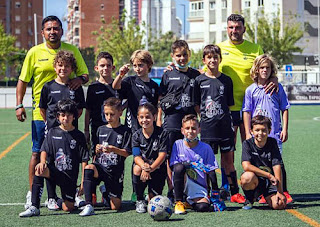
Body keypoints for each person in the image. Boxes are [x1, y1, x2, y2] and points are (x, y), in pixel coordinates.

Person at [15, 15, 88, 209]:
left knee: (70, 154)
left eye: (56, 28)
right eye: (49, 29)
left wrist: (79, 80)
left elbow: (85, 74)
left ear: (62, 31)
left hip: (68, 117)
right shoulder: (34, 52)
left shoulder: (72, 50)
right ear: (42, 33)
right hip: (43, 115)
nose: (52, 32)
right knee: (38, 153)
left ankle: (70, 193)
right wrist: (18, 104)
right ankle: (34, 193)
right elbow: (23, 80)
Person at [19, 99, 90, 217]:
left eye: (68, 115)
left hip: (69, 178)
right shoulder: (52, 132)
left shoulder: (79, 136)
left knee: (68, 208)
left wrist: (83, 181)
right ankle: (34, 207)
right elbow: (44, 150)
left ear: (74, 117)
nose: (65, 118)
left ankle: (58, 200)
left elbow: (84, 160)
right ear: (58, 116)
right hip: (55, 173)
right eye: (62, 115)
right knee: (39, 169)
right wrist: (42, 162)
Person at [194, 44, 245, 204]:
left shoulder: (226, 80)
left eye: (215, 57)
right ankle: (206, 192)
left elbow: (228, 104)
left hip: (225, 128)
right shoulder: (199, 80)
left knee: (228, 160)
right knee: (206, 162)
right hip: (207, 129)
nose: (212, 60)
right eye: (209, 57)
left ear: (220, 59)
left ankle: (234, 192)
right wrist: (204, 118)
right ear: (204, 60)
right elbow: (197, 104)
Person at [242, 54, 292, 203]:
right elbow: (247, 111)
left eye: (268, 67)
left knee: (278, 163)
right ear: (256, 70)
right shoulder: (250, 90)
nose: (265, 70)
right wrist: (247, 132)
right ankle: (261, 193)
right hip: (258, 134)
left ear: (272, 70)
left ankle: (284, 191)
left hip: (274, 132)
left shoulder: (277, 87)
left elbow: (285, 108)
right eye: (262, 67)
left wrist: (285, 129)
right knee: (260, 164)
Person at [158, 40, 201, 200]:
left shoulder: (196, 75)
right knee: (170, 156)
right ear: (172, 56)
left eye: (184, 55)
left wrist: (200, 120)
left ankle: (188, 188)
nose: (182, 58)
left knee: (189, 155)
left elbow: (197, 102)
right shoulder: (167, 74)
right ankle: (172, 189)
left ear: (189, 54)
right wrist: (158, 121)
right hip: (171, 123)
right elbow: (161, 100)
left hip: (189, 124)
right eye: (178, 55)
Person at [79, 97, 131, 216]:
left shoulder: (125, 131)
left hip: (115, 172)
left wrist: (114, 149)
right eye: (106, 114)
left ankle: (105, 192)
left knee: (115, 207)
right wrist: (97, 149)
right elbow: (94, 155)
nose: (108, 117)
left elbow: (127, 153)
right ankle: (89, 205)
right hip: (100, 168)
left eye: (111, 114)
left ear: (120, 113)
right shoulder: (100, 129)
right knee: (89, 168)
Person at [170, 114, 219, 214]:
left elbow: (211, 172)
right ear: (182, 130)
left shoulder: (206, 148)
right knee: (179, 167)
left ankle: (189, 201)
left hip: (198, 185)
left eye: (193, 128)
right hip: (183, 182)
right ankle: (179, 201)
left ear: (199, 130)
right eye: (187, 128)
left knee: (203, 207)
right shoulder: (177, 144)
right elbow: (174, 167)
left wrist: (215, 193)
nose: (190, 131)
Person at [240, 115, 287, 210]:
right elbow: (246, 166)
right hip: (257, 180)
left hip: (271, 182)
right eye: (257, 130)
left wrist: (280, 191)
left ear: (269, 131)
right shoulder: (247, 144)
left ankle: (267, 197)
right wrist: (268, 175)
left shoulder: (273, 143)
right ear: (251, 131)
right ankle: (250, 198)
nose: (260, 133)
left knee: (279, 204)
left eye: (264, 130)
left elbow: (277, 165)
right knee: (246, 177)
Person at [132, 103, 168, 213]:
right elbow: (136, 156)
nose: (144, 120)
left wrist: (150, 168)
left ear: (154, 117)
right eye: (141, 117)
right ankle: (139, 199)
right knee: (136, 168)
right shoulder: (136, 135)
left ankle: (149, 195)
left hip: (156, 168)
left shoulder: (162, 133)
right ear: (138, 118)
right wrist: (144, 167)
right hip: (143, 168)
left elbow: (162, 155)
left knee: (154, 200)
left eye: (148, 117)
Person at [113, 50, 159, 132]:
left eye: (140, 65)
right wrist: (120, 75)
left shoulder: (154, 86)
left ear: (149, 65)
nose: (137, 69)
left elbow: (156, 108)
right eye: (135, 66)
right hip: (132, 127)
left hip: (148, 127)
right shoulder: (130, 81)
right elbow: (115, 86)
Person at [39, 50, 86, 130]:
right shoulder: (48, 87)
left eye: (67, 66)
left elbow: (80, 110)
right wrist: (50, 122)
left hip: (71, 130)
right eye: (60, 65)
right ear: (55, 67)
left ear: (72, 69)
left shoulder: (76, 87)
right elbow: (42, 109)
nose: (63, 68)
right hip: (53, 129)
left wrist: (68, 121)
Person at [85, 52, 120, 155]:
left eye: (108, 65)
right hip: (97, 128)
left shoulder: (117, 85)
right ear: (96, 68)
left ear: (113, 67)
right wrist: (86, 130)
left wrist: (121, 107)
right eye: (102, 65)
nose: (105, 68)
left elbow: (127, 101)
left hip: (115, 129)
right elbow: (88, 110)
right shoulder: (93, 87)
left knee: (114, 157)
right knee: (97, 156)